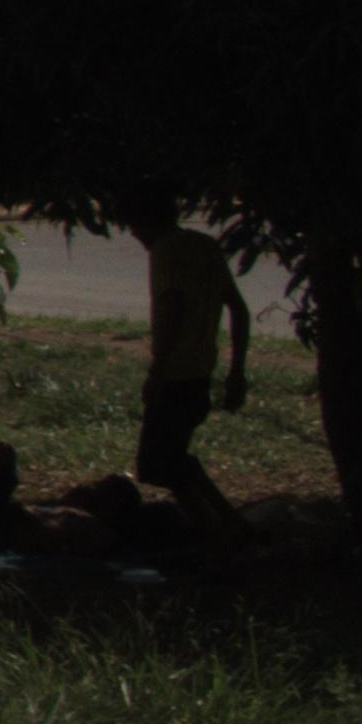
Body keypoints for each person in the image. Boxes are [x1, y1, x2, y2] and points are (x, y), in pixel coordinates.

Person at [129, 196, 252, 545]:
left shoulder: (165, 251)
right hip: (201, 374)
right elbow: (239, 310)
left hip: (176, 376)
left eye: (134, 227)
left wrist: (157, 372)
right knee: (171, 459)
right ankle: (225, 524)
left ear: (144, 223)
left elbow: (173, 311)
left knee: (156, 465)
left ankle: (217, 531)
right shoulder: (204, 246)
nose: (134, 235)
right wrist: (237, 371)